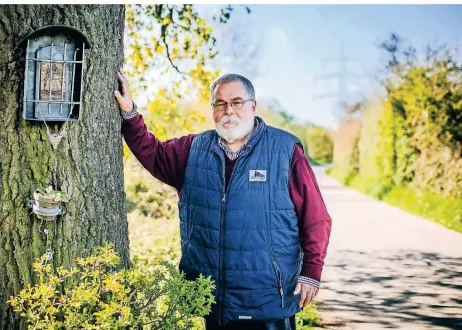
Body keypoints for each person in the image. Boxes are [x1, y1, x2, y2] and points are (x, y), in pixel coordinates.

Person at [114, 70, 332, 330]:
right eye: (220, 103)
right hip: (213, 299)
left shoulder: (284, 150)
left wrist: (312, 272)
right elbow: (153, 153)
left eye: (237, 102)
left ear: (253, 106)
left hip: (268, 298)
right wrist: (129, 114)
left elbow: (316, 218)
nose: (229, 110)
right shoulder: (193, 149)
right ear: (213, 109)